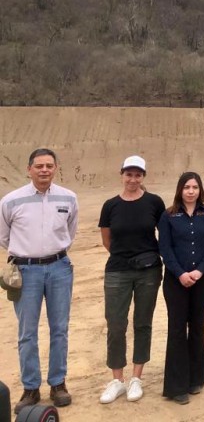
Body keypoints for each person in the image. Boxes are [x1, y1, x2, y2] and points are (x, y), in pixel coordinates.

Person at [0, 148, 78, 414]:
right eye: (39, 166)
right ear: (29, 169)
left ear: (56, 168)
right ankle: (30, 388)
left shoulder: (68, 197)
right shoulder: (11, 200)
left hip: (59, 267)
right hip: (26, 271)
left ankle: (58, 384)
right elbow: (4, 236)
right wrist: (27, 254)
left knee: (59, 329)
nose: (44, 170)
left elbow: (71, 230)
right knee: (27, 332)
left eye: (49, 165)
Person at [98, 156, 166, 403]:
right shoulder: (110, 205)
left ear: (143, 177)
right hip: (117, 270)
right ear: (122, 175)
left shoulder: (154, 202)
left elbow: (165, 234)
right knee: (116, 324)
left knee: (142, 322)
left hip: (148, 272)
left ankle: (136, 377)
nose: (133, 179)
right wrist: (125, 257)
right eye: (129, 174)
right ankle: (117, 379)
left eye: (138, 175)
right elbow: (107, 240)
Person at [157, 172, 204, 404]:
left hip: (202, 279)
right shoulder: (169, 215)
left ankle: (195, 379)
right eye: (186, 187)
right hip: (176, 280)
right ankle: (176, 386)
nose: (191, 191)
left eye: (195, 187)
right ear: (179, 190)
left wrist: (200, 270)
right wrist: (181, 273)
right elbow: (165, 247)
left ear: (200, 190)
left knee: (197, 327)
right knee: (176, 329)